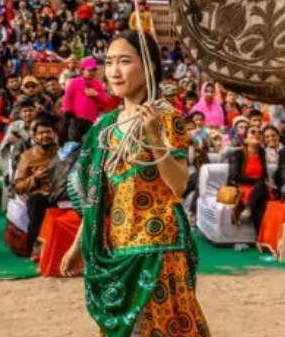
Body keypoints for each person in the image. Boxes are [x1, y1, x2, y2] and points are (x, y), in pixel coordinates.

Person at [60, 30, 210, 336]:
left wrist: (155, 139)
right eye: (110, 62)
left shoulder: (167, 118)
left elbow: (179, 185)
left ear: (150, 67)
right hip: (116, 246)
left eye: (125, 61)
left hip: (159, 248)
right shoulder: (104, 128)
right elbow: (97, 197)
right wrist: (78, 244)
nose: (114, 70)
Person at [12, 110, 61, 255]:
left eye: (48, 132)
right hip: (40, 196)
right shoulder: (27, 157)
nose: (45, 135)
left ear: (54, 134)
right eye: (41, 133)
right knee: (37, 201)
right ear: (34, 136)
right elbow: (18, 187)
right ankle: (35, 247)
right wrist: (35, 178)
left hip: (61, 195)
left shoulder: (62, 153)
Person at [225, 124, 273, 229]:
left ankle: (248, 210)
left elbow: (264, 175)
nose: (257, 135)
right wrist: (257, 181)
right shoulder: (237, 154)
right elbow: (234, 176)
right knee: (260, 203)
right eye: (253, 132)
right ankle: (250, 210)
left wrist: (266, 184)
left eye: (260, 133)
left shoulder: (262, 152)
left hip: (259, 188)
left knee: (262, 195)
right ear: (245, 139)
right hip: (243, 188)